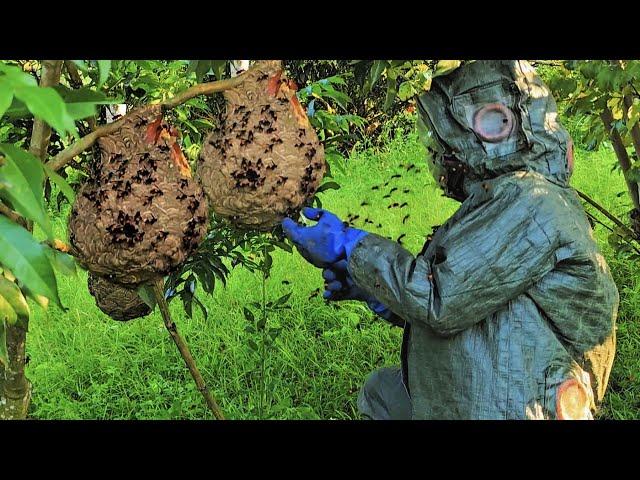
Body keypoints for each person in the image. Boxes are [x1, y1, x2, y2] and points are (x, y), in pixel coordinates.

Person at [281, 60, 619, 420]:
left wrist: (352, 246)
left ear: (494, 124)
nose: (441, 157)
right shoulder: (503, 200)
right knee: (383, 392)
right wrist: (374, 291)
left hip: (520, 402)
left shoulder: (532, 202)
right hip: (504, 381)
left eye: (439, 138)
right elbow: (476, 306)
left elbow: (442, 299)